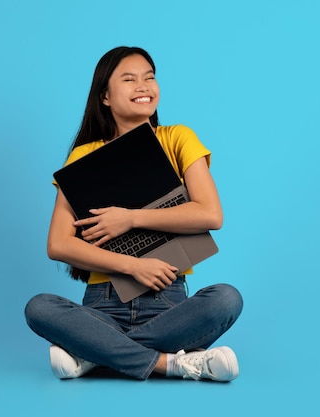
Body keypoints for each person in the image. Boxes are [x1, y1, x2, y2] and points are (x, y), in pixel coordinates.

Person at [24, 46, 243, 381]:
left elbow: (210, 214)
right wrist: (132, 265)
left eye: (149, 78)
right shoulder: (85, 154)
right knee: (39, 307)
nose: (143, 86)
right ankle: (170, 363)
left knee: (226, 298)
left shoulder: (177, 138)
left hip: (169, 304)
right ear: (105, 97)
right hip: (102, 306)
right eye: (129, 79)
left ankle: (94, 354)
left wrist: (130, 217)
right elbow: (58, 245)